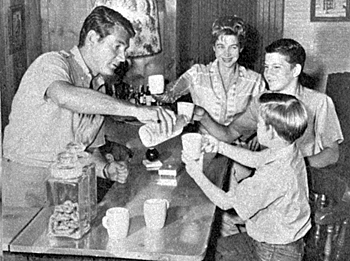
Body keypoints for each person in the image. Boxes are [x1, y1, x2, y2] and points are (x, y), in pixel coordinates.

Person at [2, 6, 176, 207]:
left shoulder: (99, 87)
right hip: (30, 181)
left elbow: (90, 149)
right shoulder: (52, 63)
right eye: (117, 47)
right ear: (93, 38)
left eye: (125, 50)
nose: (122, 58)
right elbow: (64, 96)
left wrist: (106, 169)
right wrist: (136, 110)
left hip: (69, 181)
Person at [182, 93, 311, 261]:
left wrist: (195, 174)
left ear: (271, 131)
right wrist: (220, 146)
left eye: (259, 123)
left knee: (211, 252)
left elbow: (225, 202)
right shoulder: (287, 149)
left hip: (274, 249)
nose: (256, 127)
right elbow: (255, 159)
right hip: (285, 237)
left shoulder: (274, 174)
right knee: (218, 248)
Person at [202, 38, 344, 171]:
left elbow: (332, 153)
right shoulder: (261, 100)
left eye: (276, 67)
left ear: (295, 70)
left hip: (305, 178)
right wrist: (202, 116)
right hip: (269, 174)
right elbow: (229, 134)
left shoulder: (319, 102)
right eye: (266, 67)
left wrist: (296, 165)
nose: (268, 74)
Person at [156, 16, 265, 129]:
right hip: (203, 142)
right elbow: (169, 95)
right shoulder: (197, 74)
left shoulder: (254, 80)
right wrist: (156, 89)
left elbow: (265, 115)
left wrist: (257, 134)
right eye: (221, 47)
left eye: (233, 47)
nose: (227, 54)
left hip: (239, 145)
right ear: (214, 47)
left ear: (241, 48)